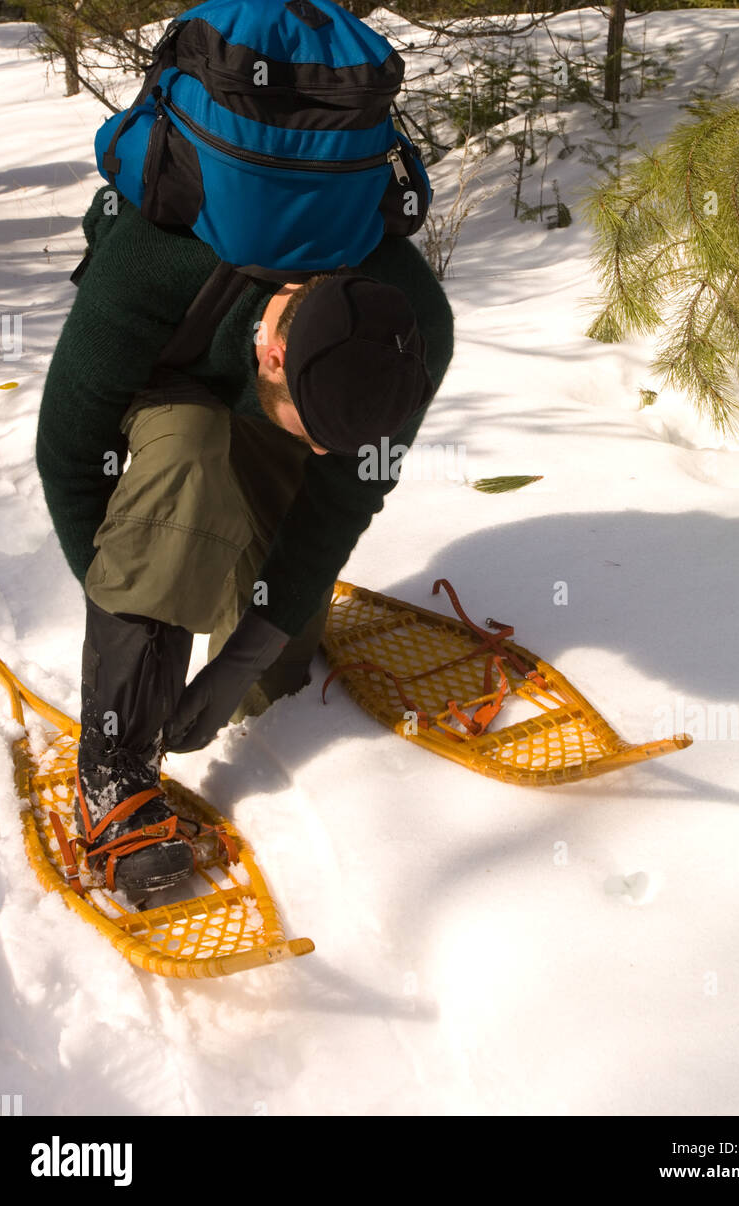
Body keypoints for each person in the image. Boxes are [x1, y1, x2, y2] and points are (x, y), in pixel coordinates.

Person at [36, 185, 454, 895]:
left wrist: (252, 646)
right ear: (271, 354)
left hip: (280, 390)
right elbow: (71, 462)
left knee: (275, 682)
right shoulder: (148, 267)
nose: (326, 455)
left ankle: (252, 663)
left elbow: (340, 501)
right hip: (169, 382)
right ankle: (114, 781)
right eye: (313, 435)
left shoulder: (411, 332)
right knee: (189, 457)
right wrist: (133, 615)